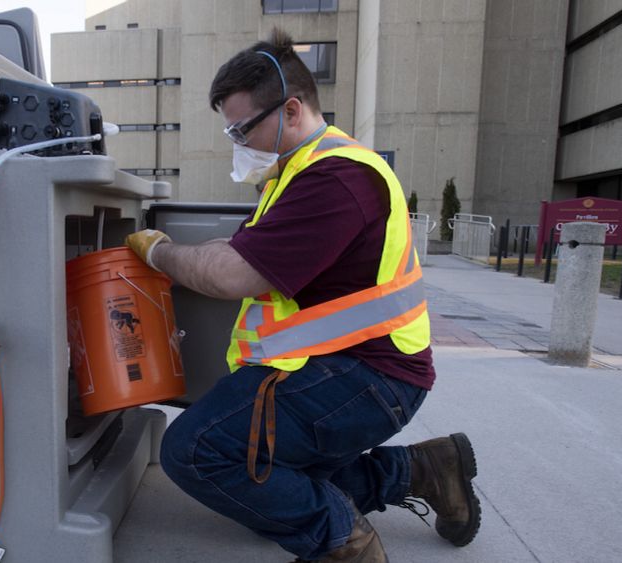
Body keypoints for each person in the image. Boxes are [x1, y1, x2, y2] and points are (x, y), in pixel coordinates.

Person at [125, 29, 480, 562]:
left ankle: (341, 541)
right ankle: (425, 470)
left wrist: (161, 253)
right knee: (268, 483)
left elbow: (231, 274)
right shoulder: (296, 173)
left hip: (369, 378)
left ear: (291, 111)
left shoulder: (335, 179)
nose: (236, 142)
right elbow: (242, 250)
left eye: (241, 128)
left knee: (199, 451)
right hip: (348, 367)